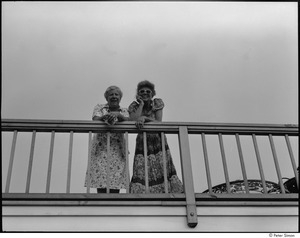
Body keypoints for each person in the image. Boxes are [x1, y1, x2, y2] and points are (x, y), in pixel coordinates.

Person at [128, 80, 184, 193]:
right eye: (142, 91)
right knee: (142, 166)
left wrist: (145, 119)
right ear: (138, 94)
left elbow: (158, 122)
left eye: (148, 91)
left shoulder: (157, 103)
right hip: (142, 141)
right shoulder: (134, 106)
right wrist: (141, 105)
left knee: (161, 164)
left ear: (153, 93)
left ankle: (166, 191)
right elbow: (133, 120)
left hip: (157, 140)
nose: (145, 93)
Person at [84, 86, 129, 193]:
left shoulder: (124, 110)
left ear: (120, 97)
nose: (114, 97)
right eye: (111, 95)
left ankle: (113, 204)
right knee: (100, 176)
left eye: (116, 94)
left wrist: (118, 115)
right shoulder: (100, 107)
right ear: (107, 97)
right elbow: (95, 119)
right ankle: (101, 203)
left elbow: (128, 120)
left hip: (117, 148)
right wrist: (105, 117)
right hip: (101, 148)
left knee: (116, 178)